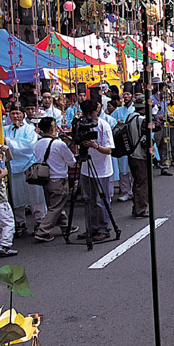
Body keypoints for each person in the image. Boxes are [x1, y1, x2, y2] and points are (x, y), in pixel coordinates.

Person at [32, 117, 78, 242]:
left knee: (54, 204)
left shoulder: (38, 143)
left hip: (45, 178)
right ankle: (42, 231)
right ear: (53, 128)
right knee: (56, 206)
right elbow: (71, 161)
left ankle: (65, 226)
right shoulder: (59, 144)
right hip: (58, 178)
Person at [3, 106, 47, 235]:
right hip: (12, 166)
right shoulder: (4, 130)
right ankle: (19, 222)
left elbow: (29, 146)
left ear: (23, 115)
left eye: (18, 113)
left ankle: (40, 221)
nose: (16, 116)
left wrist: (10, 142)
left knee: (35, 195)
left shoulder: (30, 129)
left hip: (28, 165)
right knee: (16, 196)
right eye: (13, 113)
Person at [77, 99, 115, 242]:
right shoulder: (81, 124)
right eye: (85, 114)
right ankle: (91, 228)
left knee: (100, 201)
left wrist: (95, 146)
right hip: (86, 168)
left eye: (90, 114)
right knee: (88, 200)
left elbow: (109, 150)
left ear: (97, 111)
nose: (87, 117)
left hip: (101, 170)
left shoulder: (103, 126)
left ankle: (104, 228)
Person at [127, 95, 150, 218]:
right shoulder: (142, 120)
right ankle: (141, 208)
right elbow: (155, 127)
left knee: (136, 182)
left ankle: (136, 207)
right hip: (139, 154)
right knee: (142, 182)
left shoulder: (130, 117)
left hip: (131, 154)